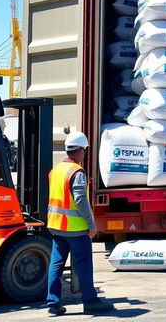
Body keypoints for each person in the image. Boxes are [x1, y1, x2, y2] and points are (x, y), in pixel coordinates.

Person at [46, 131, 113, 317]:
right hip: (74, 229)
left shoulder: (56, 170)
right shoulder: (77, 172)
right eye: (85, 150)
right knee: (83, 264)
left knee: (56, 264)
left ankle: (53, 303)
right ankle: (91, 301)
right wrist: (91, 224)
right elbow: (80, 199)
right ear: (81, 150)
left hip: (56, 226)